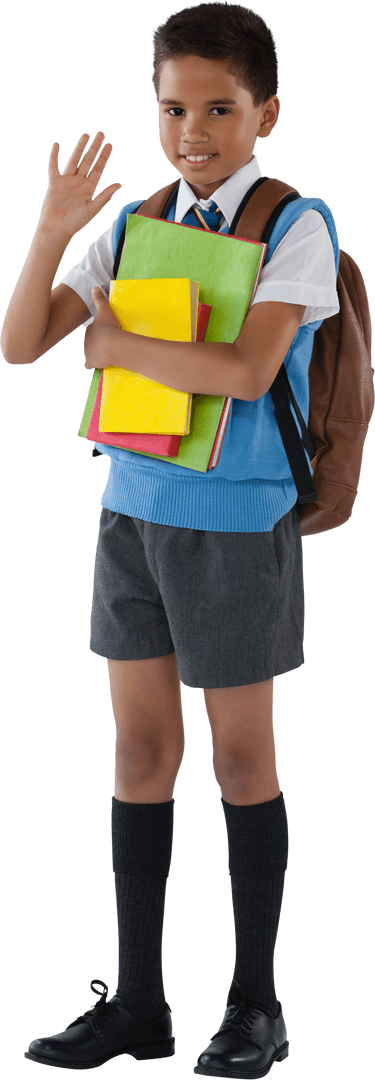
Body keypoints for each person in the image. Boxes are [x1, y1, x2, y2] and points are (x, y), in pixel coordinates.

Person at [1, 3, 340, 1076]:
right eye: (174, 107)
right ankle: (139, 1004)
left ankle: (256, 1006)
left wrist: (118, 339)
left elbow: (246, 372)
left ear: (265, 113)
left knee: (242, 760)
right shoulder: (138, 221)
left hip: (235, 528)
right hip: (131, 517)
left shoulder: (297, 225)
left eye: (220, 108)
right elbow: (22, 345)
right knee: (141, 754)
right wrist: (55, 227)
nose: (195, 129)